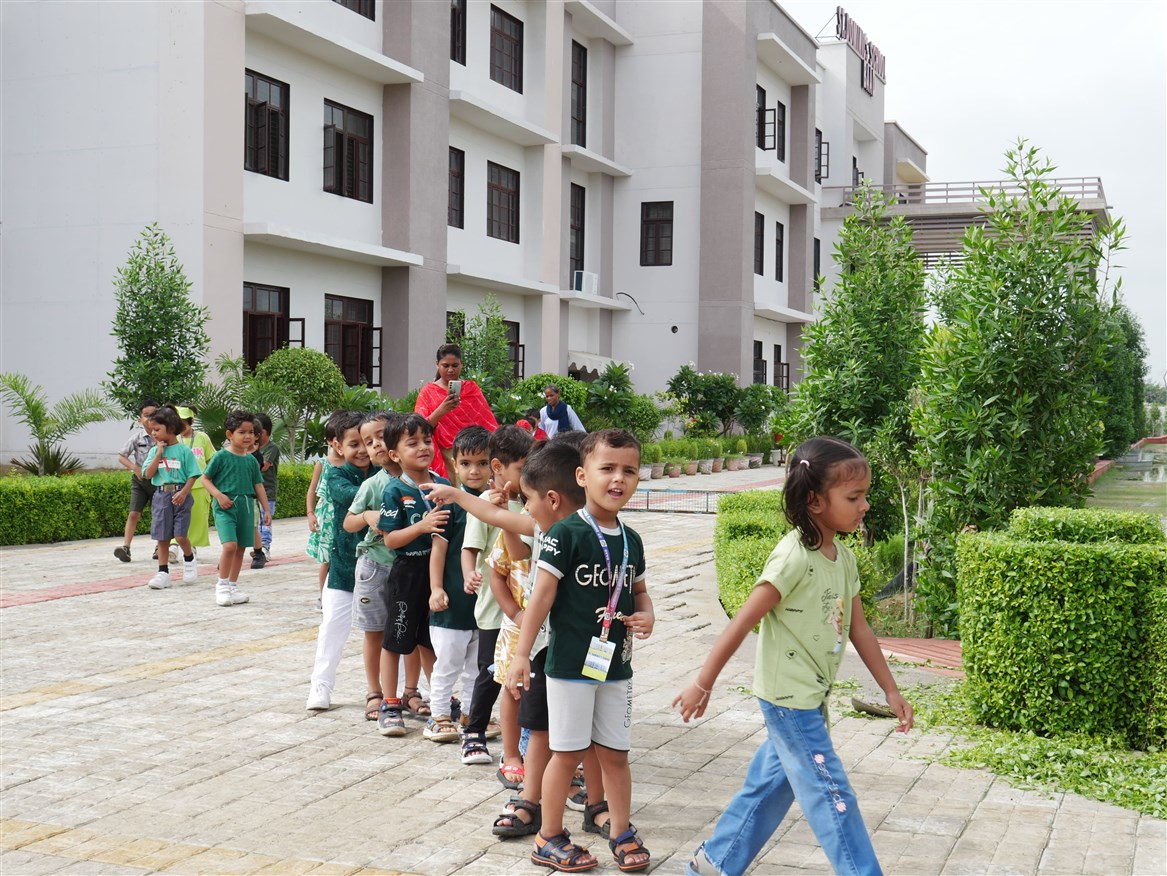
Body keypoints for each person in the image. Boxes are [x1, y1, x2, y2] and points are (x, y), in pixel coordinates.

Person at [674, 436, 915, 876]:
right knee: (832, 796)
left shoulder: (843, 558)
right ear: (815, 501)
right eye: (854, 497)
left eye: (865, 496)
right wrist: (702, 683)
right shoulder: (792, 558)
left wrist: (891, 689)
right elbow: (742, 621)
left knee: (770, 787)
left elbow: (860, 629)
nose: (864, 506)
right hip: (789, 700)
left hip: (810, 696)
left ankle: (713, 863)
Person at [507, 428, 653, 873]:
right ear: (582, 476)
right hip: (571, 666)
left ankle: (621, 832)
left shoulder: (631, 539)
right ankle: (549, 836)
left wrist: (647, 614)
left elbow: (640, 593)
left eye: (629, 470)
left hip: (616, 666)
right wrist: (520, 655)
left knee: (615, 754)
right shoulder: (564, 534)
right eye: (607, 468)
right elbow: (541, 597)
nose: (618, 478)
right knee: (568, 753)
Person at [461, 425, 533, 772]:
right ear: (498, 467)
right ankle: (473, 732)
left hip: (524, 609)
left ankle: (518, 740)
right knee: (491, 673)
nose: (528, 474)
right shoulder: (486, 505)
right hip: (494, 607)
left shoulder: (533, 503)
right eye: (522, 468)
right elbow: (469, 548)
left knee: (518, 679)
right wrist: (468, 574)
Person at [375, 413, 452, 737]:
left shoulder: (443, 484)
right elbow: (390, 540)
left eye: (427, 440)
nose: (423, 447)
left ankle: (441, 703)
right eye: (413, 443)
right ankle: (390, 703)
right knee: (396, 639)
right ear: (394, 454)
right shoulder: (394, 490)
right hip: (407, 573)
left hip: (440, 574)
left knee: (431, 640)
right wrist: (421, 526)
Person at [424, 425, 492, 745]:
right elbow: (437, 551)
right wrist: (436, 589)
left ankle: (470, 714)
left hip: (485, 604)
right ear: (454, 464)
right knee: (447, 664)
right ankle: (438, 715)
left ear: (495, 464)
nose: (474, 471)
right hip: (451, 604)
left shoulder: (497, 504)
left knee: (478, 667)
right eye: (466, 463)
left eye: (482, 463)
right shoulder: (449, 505)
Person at [304, 411, 374, 711]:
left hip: (382, 566)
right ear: (338, 446)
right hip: (344, 565)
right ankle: (320, 685)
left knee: (385, 633)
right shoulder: (336, 475)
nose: (362, 450)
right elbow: (354, 496)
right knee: (332, 627)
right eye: (353, 444)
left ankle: (398, 689)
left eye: (367, 443)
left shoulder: (385, 471)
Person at [200, 410, 271, 607]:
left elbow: (258, 486)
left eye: (251, 432)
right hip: (225, 507)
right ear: (230, 434)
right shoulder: (221, 456)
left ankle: (233, 585)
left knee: (240, 548)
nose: (247, 436)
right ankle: (222, 585)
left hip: (246, 506)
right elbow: (205, 479)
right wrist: (219, 495)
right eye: (242, 432)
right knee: (230, 546)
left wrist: (266, 510)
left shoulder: (251, 460)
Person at [414, 342, 498, 481]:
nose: (450, 370)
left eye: (455, 365)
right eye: (445, 365)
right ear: (437, 365)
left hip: (474, 451)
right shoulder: (428, 392)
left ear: (461, 365)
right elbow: (419, 428)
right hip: (445, 454)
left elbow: (486, 420)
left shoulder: (471, 389)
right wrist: (441, 410)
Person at [141, 406, 201, 591]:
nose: (153, 433)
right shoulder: (154, 451)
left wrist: (184, 493)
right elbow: (147, 474)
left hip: (181, 495)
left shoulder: (184, 451)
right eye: (152, 430)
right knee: (162, 537)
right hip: (161, 496)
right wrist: (158, 454)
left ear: (171, 428)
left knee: (180, 535)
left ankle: (189, 559)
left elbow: (193, 474)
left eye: (157, 429)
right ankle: (163, 572)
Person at [306, 422, 345, 610]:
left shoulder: (353, 463)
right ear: (330, 441)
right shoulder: (323, 463)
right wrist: (310, 513)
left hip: (346, 514)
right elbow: (312, 490)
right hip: (327, 516)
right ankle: (322, 596)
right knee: (326, 558)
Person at [114, 400, 159, 563]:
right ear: (140, 420)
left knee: (159, 515)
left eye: (154, 415)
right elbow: (121, 456)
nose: (150, 418)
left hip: (159, 481)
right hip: (140, 482)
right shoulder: (136, 438)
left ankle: (159, 547)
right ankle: (126, 547)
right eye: (146, 415)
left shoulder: (164, 436)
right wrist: (135, 468)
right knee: (133, 513)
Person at [175, 406, 215, 557]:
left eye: (185, 423)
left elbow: (211, 459)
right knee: (175, 517)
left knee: (197, 518)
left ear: (192, 422)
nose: (181, 426)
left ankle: (191, 547)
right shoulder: (173, 438)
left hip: (199, 486)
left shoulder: (202, 437)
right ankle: (173, 545)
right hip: (178, 485)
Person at [250, 412, 279, 569]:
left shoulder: (272, 448)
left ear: (264, 432)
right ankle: (258, 547)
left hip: (267, 491)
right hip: (252, 492)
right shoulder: (250, 448)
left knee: (265, 522)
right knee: (255, 522)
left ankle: (265, 548)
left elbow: (263, 467)